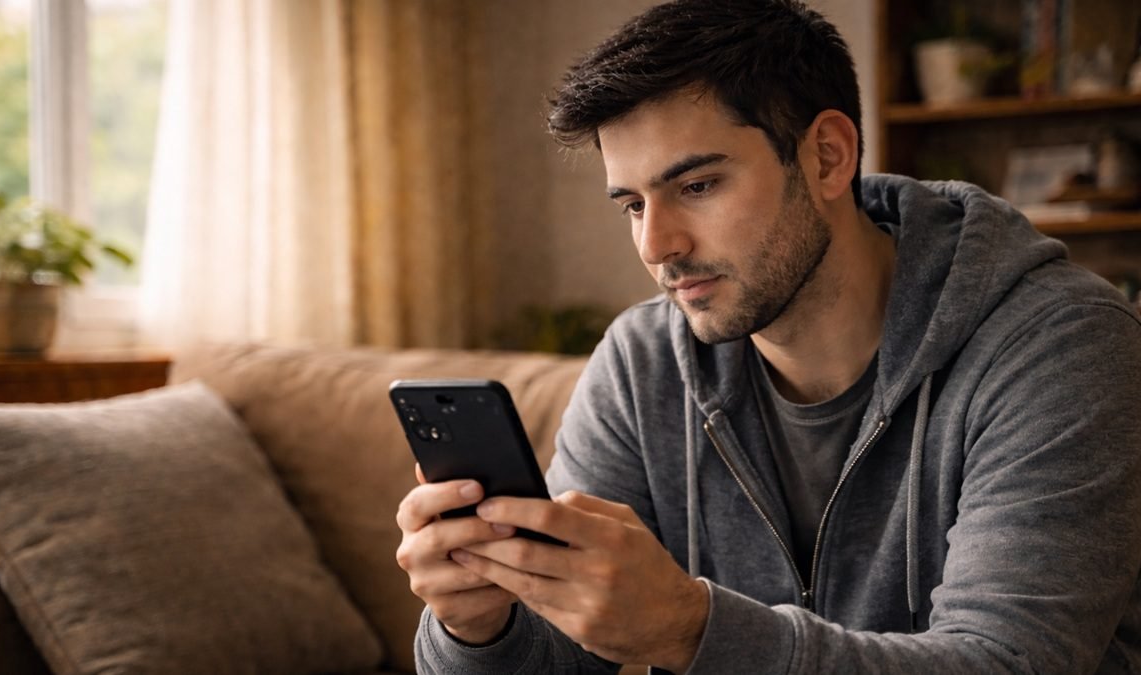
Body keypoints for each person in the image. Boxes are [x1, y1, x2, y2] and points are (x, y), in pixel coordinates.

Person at [395, 0, 1141, 672]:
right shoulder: (643, 363)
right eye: (631, 204)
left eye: (697, 186)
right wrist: (477, 629)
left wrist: (691, 629)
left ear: (826, 156)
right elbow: (563, 657)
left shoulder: (1061, 346)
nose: (657, 245)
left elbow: (1010, 661)